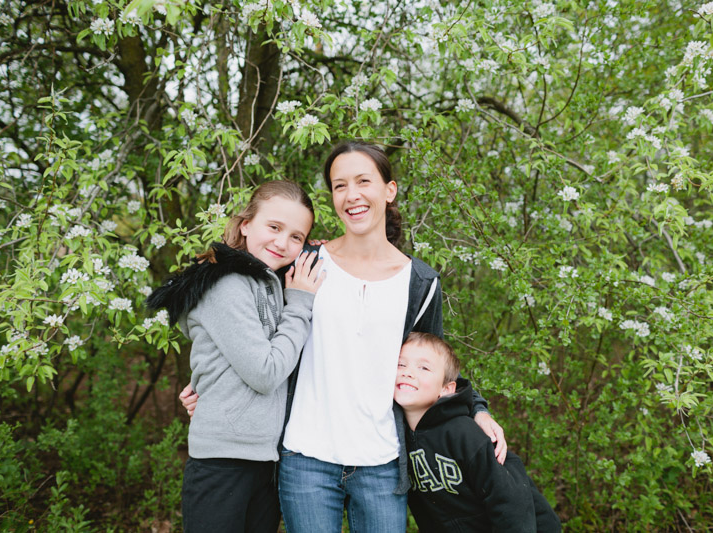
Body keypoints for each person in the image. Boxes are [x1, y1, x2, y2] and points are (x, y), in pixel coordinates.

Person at [181, 141, 506, 532]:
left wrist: (477, 408)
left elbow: (432, 366)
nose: (351, 195)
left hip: (383, 463)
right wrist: (212, 387)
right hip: (304, 460)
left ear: (389, 190)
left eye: (363, 181)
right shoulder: (303, 264)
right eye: (339, 185)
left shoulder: (420, 283)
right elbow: (255, 340)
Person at [147, 181, 325, 533]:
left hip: (265, 458)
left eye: (296, 237)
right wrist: (302, 303)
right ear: (245, 224)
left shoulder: (269, 283)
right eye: (273, 227)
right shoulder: (225, 284)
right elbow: (265, 372)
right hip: (223, 462)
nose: (282, 242)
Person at [396, 332, 562, 532]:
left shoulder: (464, 433)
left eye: (424, 367)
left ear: (447, 389)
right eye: (400, 364)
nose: (408, 372)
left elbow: (510, 498)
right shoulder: (396, 437)